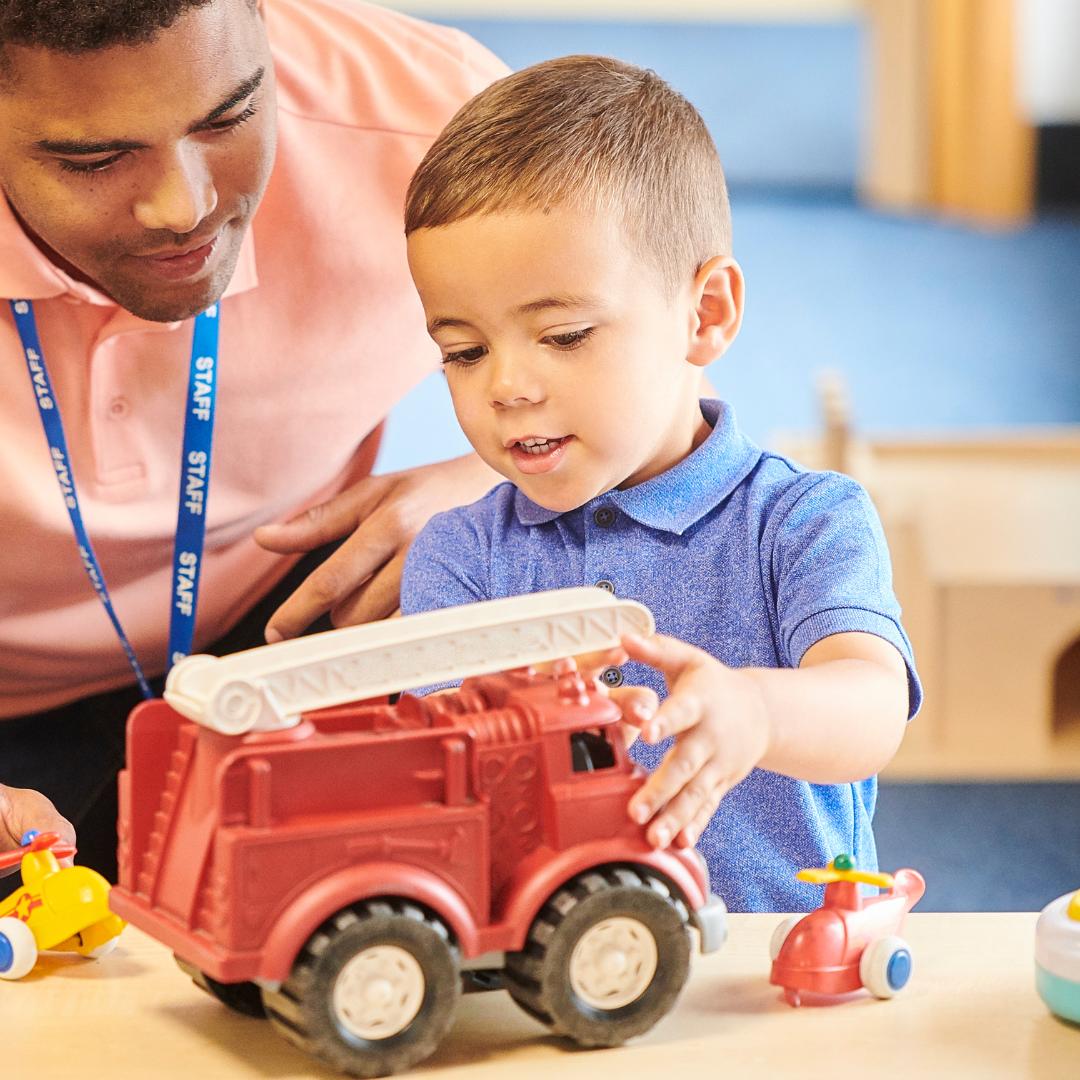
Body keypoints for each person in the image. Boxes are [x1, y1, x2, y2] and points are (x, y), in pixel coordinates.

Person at [399, 56, 921, 911]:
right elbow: (432, 770)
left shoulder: (803, 521)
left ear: (705, 314)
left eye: (563, 336)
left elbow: (871, 707)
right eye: (463, 350)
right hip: (564, 965)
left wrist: (755, 711)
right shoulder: (459, 557)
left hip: (776, 971)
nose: (506, 386)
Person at [0, 0, 508, 878]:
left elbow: (660, 373)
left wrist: (493, 484)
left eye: (230, 117)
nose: (182, 207)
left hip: (287, 609)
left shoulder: (438, 120)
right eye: (95, 158)